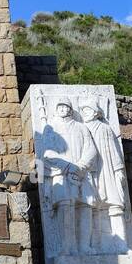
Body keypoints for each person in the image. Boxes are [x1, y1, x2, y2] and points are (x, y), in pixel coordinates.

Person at [40, 100, 100, 251]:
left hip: (81, 172)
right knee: (65, 206)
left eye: (65, 106)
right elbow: (47, 153)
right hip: (61, 173)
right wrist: (67, 166)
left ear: (70, 110)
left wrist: (80, 166)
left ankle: (84, 246)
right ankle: (67, 247)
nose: (62, 109)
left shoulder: (81, 127)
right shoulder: (50, 128)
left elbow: (91, 150)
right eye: (59, 106)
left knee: (85, 206)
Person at [81, 99, 131, 249]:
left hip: (106, 169)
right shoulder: (81, 128)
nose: (85, 113)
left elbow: (114, 152)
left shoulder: (105, 128)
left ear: (96, 112)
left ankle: (122, 244)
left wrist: (118, 170)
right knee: (93, 207)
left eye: (88, 110)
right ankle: (97, 244)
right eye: (83, 111)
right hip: (90, 173)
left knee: (114, 204)